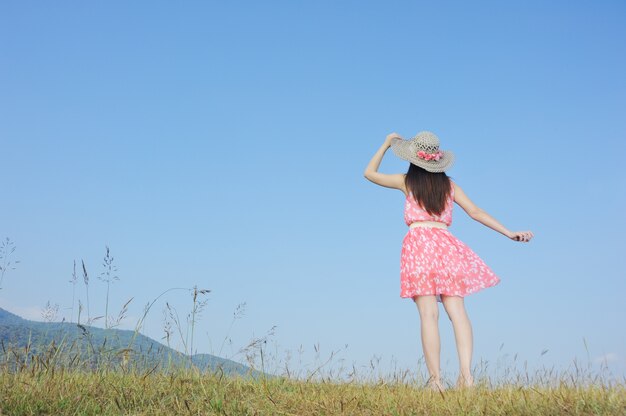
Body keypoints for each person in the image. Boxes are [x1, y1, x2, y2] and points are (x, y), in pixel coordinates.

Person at [363, 131, 534, 392]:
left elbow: (370, 173)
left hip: (419, 247)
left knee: (429, 315)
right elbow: (475, 212)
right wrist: (508, 232)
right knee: (458, 312)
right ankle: (467, 377)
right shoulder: (449, 186)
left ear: (413, 158)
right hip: (446, 246)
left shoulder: (406, 182)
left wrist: (387, 144)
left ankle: (436, 381)